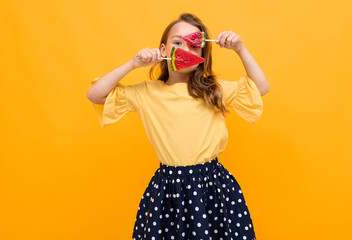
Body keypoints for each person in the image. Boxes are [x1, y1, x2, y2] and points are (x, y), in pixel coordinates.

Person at [87, 12, 269, 240]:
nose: (185, 49)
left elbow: (260, 89)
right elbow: (95, 94)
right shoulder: (146, 92)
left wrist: (240, 49)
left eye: (194, 45)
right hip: (168, 191)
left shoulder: (214, 89)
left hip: (212, 187)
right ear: (163, 50)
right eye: (177, 43)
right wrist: (133, 64)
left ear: (203, 52)